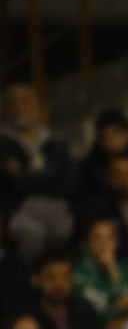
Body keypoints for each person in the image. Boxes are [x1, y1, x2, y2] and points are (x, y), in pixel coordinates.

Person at [0, 83, 76, 259]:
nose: (19, 108)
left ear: (37, 106)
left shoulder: (55, 144)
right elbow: (13, 185)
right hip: (18, 210)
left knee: (67, 230)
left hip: (58, 207)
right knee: (30, 234)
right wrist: (50, 176)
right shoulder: (3, 147)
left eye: (25, 102)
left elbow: (72, 183)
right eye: (13, 104)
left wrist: (27, 178)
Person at [71, 215, 128, 319]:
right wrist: (118, 308)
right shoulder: (77, 274)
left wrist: (112, 271)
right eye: (97, 239)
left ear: (116, 242)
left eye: (108, 238)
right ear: (87, 243)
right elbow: (92, 313)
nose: (103, 244)